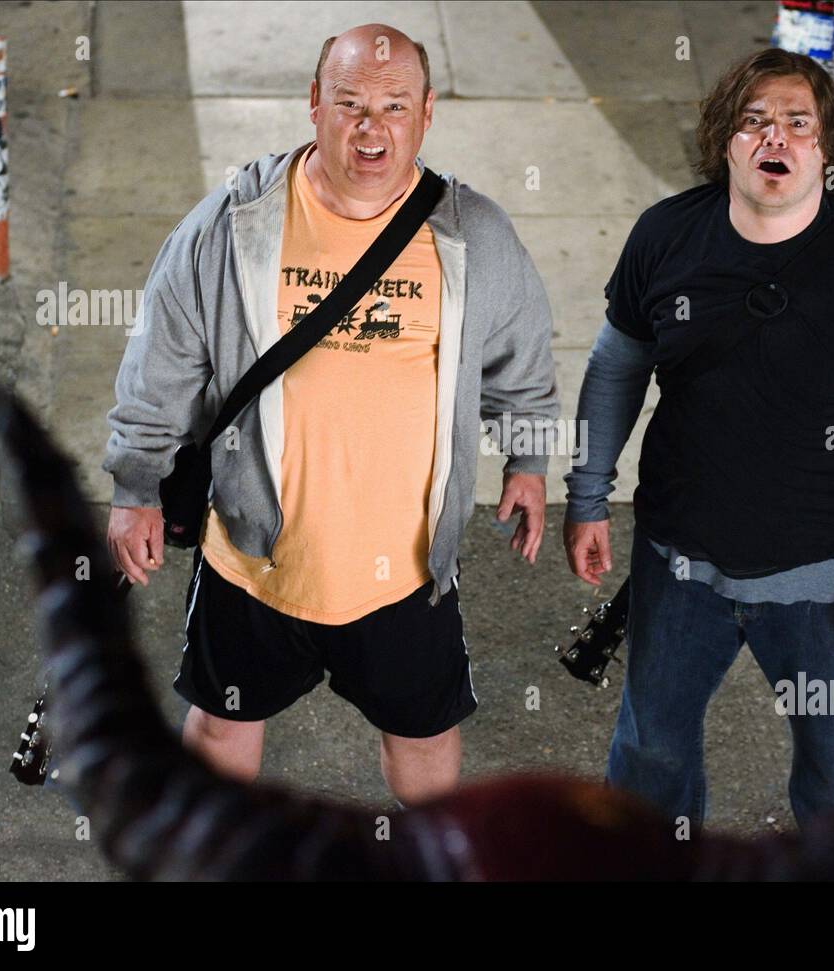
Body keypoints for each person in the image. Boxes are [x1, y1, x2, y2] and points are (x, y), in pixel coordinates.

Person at [103, 24, 557, 804]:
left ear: (426, 113)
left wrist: (528, 459)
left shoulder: (471, 234)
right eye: (348, 103)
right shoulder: (232, 224)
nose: (369, 127)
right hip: (254, 558)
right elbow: (163, 360)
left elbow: (523, 358)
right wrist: (135, 484)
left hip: (404, 570)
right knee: (219, 727)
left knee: (423, 738)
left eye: (392, 105)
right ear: (314, 104)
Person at [562, 48, 834, 827]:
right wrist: (586, 496)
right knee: (650, 756)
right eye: (753, 122)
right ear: (725, 142)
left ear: (826, 149)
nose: (772, 136)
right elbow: (617, 367)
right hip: (678, 564)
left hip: (828, 588)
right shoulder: (666, 237)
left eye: (795, 122)